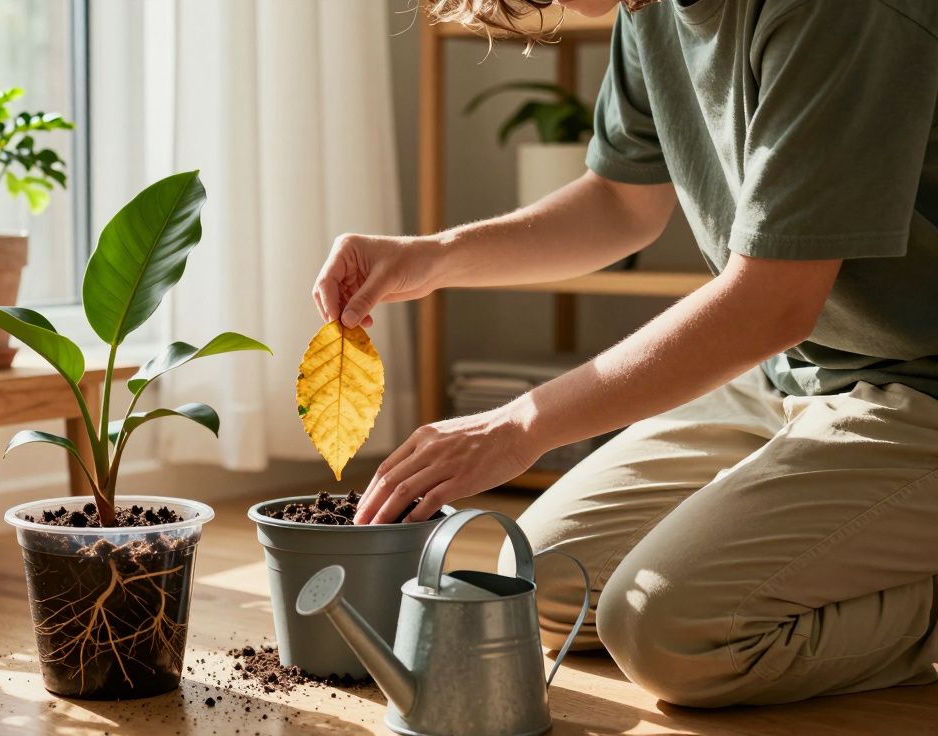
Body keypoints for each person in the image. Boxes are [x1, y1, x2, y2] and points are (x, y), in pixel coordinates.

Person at [312, 0, 938, 708]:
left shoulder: (834, 13)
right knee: (540, 580)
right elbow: (620, 203)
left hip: (922, 385)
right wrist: (431, 257)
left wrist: (520, 425)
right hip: (795, 374)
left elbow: (771, 302)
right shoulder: (648, 8)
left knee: (667, 635)